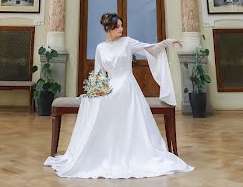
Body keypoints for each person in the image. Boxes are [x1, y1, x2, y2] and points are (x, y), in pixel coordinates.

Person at [44, 13, 195, 179]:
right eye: (118, 27)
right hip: (110, 85)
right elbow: (99, 73)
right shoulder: (100, 47)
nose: (122, 29)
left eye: (122, 26)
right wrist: (93, 90)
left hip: (127, 87)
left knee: (112, 101)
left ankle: (130, 152)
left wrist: (167, 42)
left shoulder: (127, 42)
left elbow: (150, 49)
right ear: (109, 28)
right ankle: (102, 151)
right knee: (96, 102)